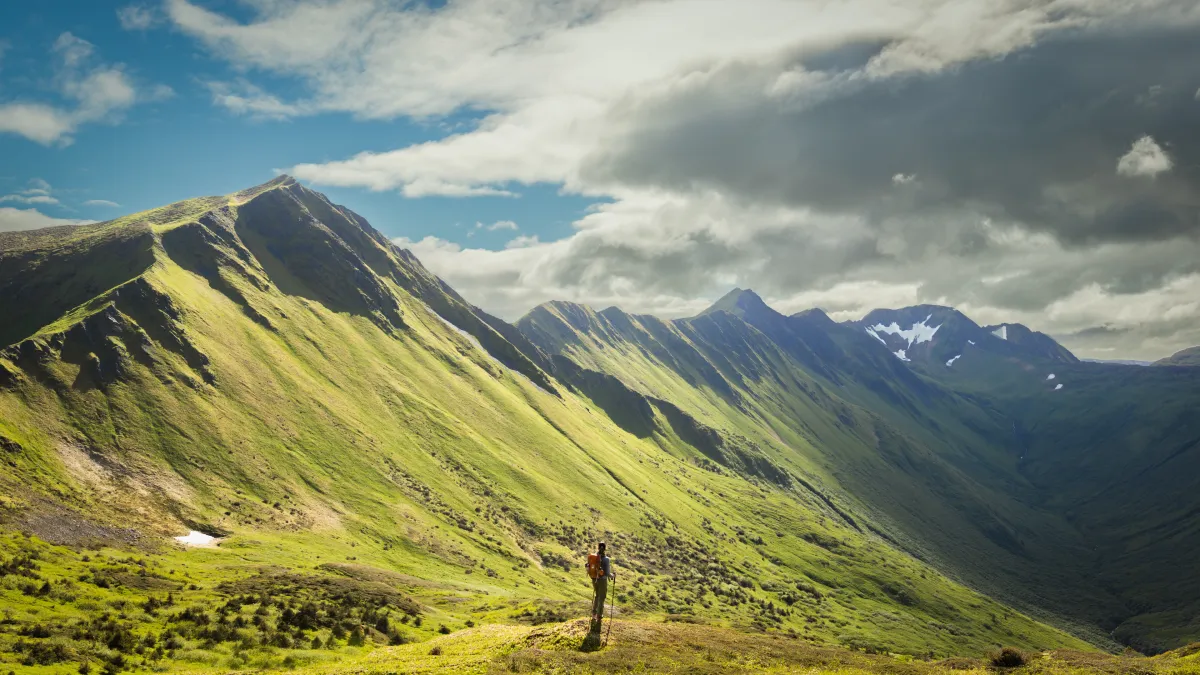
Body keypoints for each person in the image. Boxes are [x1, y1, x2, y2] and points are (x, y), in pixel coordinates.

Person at [588, 542, 614, 630]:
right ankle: (599, 616)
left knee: (597, 595)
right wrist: (612, 576)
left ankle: (594, 614)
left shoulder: (594, 557)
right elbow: (606, 573)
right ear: (605, 548)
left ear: (598, 547)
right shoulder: (606, 559)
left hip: (594, 578)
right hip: (602, 580)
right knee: (602, 597)